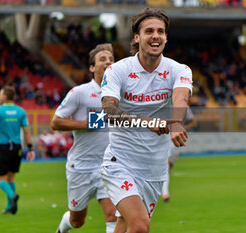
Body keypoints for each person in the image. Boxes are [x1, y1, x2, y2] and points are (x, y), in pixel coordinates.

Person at [100, 8, 192, 233]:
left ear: (166, 37)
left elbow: (180, 96)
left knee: (124, 226)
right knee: (140, 226)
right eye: (149, 30)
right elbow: (109, 110)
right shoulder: (117, 71)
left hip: (154, 169)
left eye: (161, 31)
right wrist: (146, 122)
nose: (156, 35)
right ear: (137, 37)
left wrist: (177, 123)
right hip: (119, 162)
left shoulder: (179, 70)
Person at [51, 43, 117, 233]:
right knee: (77, 220)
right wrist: (87, 124)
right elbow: (55, 123)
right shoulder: (79, 93)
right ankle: (61, 229)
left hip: (109, 165)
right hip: (81, 166)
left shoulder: (119, 94)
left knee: (112, 214)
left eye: (111, 59)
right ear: (92, 67)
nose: (108, 62)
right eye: (102, 59)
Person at [0, 85, 35, 215]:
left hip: (4, 147)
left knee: (0, 180)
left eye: (0, 94)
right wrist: (30, 149)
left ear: (5, 97)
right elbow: (27, 132)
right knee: (10, 179)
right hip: (17, 148)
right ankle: (9, 207)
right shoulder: (21, 111)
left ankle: (12, 195)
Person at [162, 107, 197, 202]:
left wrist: (181, 128)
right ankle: (165, 193)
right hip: (163, 137)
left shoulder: (185, 108)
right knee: (166, 164)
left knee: (170, 166)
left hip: (175, 138)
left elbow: (194, 122)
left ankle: (161, 185)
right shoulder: (162, 103)